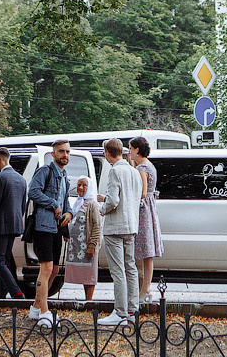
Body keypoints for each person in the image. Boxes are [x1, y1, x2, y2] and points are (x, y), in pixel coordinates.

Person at [27, 140, 72, 326]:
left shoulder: (65, 176)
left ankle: (36, 307)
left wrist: (69, 213)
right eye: (61, 151)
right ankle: (44, 312)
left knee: (54, 270)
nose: (65, 155)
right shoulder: (45, 171)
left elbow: (65, 201)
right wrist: (53, 204)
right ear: (53, 154)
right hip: (43, 227)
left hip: (57, 228)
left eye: (68, 151)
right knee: (45, 268)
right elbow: (33, 191)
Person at [97, 137, 142, 327]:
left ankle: (120, 312)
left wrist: (102, 208)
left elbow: (114, 200)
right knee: (130, 267)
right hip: (131, 225)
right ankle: (132, 309)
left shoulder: (115, 171)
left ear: (108, 153)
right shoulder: (134, 171)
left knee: (118, 271)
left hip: (115, 227)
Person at [0, 147, 28, 300]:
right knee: (6, 260)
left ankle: (17, 292)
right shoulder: (21, 179)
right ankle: (1, 295)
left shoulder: (0, 178)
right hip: (15, 225)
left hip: (1, 225)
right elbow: (23, 205)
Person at [129, 136, 163, 303]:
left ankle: (144, 290)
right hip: (150, 209)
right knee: (147, 253)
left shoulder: (142, 167)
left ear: (137, 149)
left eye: (130, 149)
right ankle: (146, 289)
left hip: (143, 210)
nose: (129, 153)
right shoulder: (150, 165)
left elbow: (142, 192)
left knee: (143, 252)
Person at [65, 176, 101, 303]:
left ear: (89, 187)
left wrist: (92, 245)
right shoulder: (79, 203)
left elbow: (97, 226)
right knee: (83, 273)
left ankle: (89, 300)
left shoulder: (92, 204)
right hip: (77, 246)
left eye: (84, 185)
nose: (80, 188)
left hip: (87, 245)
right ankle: (86, 299)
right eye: (79, 185)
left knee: (90, 274)